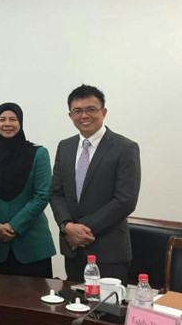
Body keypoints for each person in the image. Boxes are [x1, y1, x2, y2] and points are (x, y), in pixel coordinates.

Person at [50, 84, 141, 282]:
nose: (84, 116)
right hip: (72, 250)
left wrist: (80, 229)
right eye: (78, 111)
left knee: (108, 303)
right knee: (73, 301)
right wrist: (67, 226)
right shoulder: (65, 147)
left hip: (108, 251)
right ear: (70, 115)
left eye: (91, 109)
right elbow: (56, 193)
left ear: (104, 112)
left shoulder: (125, 147)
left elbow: (125, 200)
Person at [0, 103, 55, 278]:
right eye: (2, 119)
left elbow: (42, 196)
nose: (7, 124)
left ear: (20, 123)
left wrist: (14, 226)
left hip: (33, 246)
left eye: (13, 119)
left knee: (36, 295)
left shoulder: (38, 153)